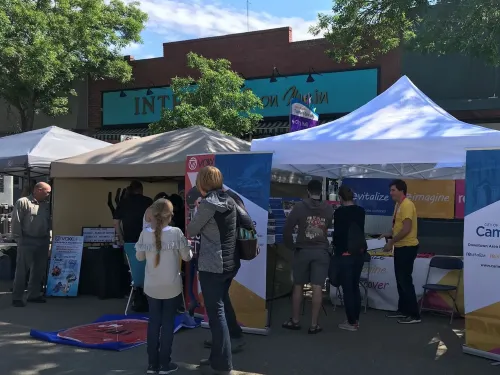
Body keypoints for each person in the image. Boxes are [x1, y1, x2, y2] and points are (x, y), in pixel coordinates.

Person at [187, 166, 244, 375]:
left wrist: (197, 209)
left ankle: (224, 365)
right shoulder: (229, 199)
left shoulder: (208, 204)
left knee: (216, 313)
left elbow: (192, 229)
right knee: (219, 308)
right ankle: (216, 358)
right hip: (230, 263)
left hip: (212, 264)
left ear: (202, 183)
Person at [136, 199, 192, 375]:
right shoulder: (176, 233)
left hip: (152, 286)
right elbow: (187, 256)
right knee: (168, 324)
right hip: (171, 286)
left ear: (152, 215)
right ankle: (165, 364)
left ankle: (152, 365)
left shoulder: (145, 233)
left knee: (154, 323)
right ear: (170, 215)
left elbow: (139, 257)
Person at [282, 179, 334, 334]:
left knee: (298, 285)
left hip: (303, 250)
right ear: (322, 192)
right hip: (321, 251)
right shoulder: (328, 209)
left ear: (308, 191)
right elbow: (328, 226)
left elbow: (287, 229)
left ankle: (295, 320)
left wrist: (291, 246)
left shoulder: (299, 207)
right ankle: (314, 324)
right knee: (317, 286)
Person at [380, 179, 421, 325]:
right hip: (400, 246)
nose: (390, 193)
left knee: (405, 281)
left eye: (393, 190)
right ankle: (403, 310)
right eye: (390, 190)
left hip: (407, 247)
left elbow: (407, 229)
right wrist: (389, 234)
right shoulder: (398, 205)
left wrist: (391, 241)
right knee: (400, 280)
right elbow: (398, 227)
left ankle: (414, 315)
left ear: (401, 191)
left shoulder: (407, 205)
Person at [11, 182, 52, 307]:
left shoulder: (47, 204)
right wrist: (19, 240)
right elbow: (16, 221)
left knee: (38, 270)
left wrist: (49, 238)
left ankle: (33, 295)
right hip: (27, 240)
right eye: (47, 192)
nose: (49, 194)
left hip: (43, 240)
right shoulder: (23, 202)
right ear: (38, 190)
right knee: (22, 271)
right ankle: (17, 297)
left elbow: (49, 222)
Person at [332, 185, 367, 331]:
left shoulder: (339, 213)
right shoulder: (361, 211)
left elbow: (339, 235)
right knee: (354, 286)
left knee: (348, 289)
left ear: (340, 198)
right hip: (358, 254)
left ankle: (351, 322)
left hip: (345, 255)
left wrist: (338, 250)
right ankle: (355, 319)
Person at [114, 180, 153, 245]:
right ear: (141, 190)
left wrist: (121, 239)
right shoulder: (148, 201)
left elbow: (116, 223)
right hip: (146, 241)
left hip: (128, 241)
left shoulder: (123, 202)